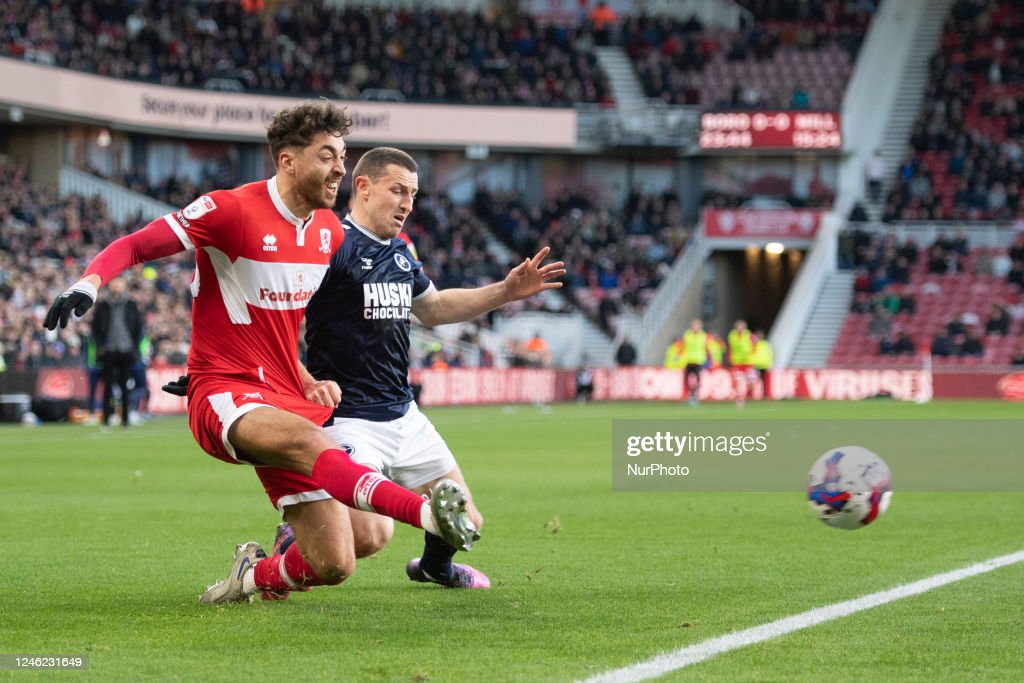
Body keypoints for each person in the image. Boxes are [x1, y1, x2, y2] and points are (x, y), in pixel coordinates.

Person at [44, 101, 479, 605]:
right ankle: (428, 514)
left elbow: (278, 323)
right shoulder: (230, 211)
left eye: (343, 155)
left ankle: (249, 578)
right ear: (288, 160)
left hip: (281, 395)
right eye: (327, 156)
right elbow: (139, 244)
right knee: (318, 444)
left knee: (345, 555)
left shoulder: (327, 233)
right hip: (228, 390)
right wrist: (90, 281)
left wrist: (303, 373)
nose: (340, 167)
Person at [299, 146, 565, 592]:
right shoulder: (332, 244)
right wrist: (305, 380)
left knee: (466, 521)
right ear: (362, 187)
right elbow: (284, 314)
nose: (407, 203)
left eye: (413, 194)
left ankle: (432, 567)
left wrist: (505, 290)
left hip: (404, 417)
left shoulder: (402, 251)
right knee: (368, 537)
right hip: (348, 420)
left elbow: (436, 307)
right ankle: (296, 531)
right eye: (397, 190)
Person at [91, 277, 144, 430]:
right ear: (111, 286)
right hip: (108, 350)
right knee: (107, 387)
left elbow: (139, 328)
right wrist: (101, 346)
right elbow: (94, 328)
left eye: (119, 284)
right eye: (114, 284)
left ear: (124, 286)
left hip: (127, 350)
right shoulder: (102, 305)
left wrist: (134, 347)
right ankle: (106, 419)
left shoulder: (131, 305)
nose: (117, 287)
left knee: (125, 386)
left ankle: (125, 420)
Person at [682, 319, 708, 407]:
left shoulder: (703, 335)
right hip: (688, 360)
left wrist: (708, 360)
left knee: (698, 380)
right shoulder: (687, 334)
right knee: (687, 379)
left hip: (699, 361)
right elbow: (684, 347)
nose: (696, 327)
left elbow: (706, 348)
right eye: (694, 325)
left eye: (697, 325)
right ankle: (690, 395)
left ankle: (695, 396)